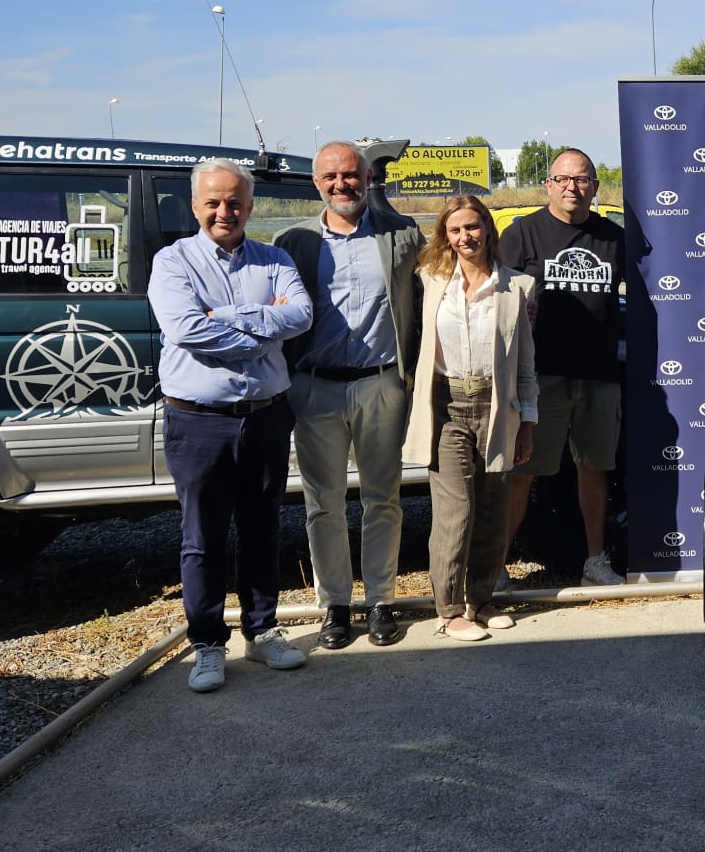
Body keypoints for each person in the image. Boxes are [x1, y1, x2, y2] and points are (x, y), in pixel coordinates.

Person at [148, 158, 313, 694]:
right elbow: (186, 328)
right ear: (195, 206)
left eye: (235, 202)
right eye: (213, 202)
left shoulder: (275, 258)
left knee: (263, 529)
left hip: (266, 417)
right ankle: (207, 645)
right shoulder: (172, 263)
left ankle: (262, 631)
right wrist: (265, 326)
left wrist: (228, 316)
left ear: (250, 205)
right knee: (203, 538)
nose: (225, 211)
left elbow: (302, 315)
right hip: (198, 423)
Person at [277, 141, 424, 650]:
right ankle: (335, 605)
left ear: (366, 178)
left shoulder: (402, 233)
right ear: (316, 183)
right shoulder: (292, 242)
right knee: (324, 504)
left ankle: (381, 600)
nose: (342, 184)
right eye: (331, 177)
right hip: (315, 387)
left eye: (351, 175)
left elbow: (438, 288)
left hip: (381, 384)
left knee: (383, 499)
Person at [401, 197, 538, 640]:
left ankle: (481, 598)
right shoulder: (430, 280)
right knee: (455, 512)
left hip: (499, 408)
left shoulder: (517, 286)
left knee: (493, 510)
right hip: (447, 406)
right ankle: (449, 609)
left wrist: (528, 422)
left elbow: (525, 364)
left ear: (487, 230)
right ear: (446, 235)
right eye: (456, 230)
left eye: (474, 228)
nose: (466, 237)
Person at [500, 147, 628, 586]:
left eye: (582, 179)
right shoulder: (522, 235)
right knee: (523, 474)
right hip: (540, 376)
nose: (573, 187)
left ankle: (596, 560)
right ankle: (493, 569)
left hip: (599, 373)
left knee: (595, 471)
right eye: (564, 179)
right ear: (549, 185)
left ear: (594, 186)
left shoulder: (613, 237)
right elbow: (494, 297)